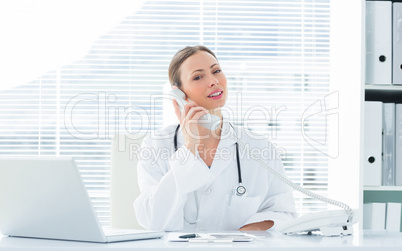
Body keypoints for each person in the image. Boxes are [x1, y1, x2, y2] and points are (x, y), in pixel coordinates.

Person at [134, 45, 296, 232]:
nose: (213, 81)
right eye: (198, 77)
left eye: (216, 71)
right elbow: (154, 221)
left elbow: (283, 212)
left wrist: (245, 235)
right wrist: (189, 148)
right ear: (179, 94)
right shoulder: (156, 144)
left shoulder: (258, 146)